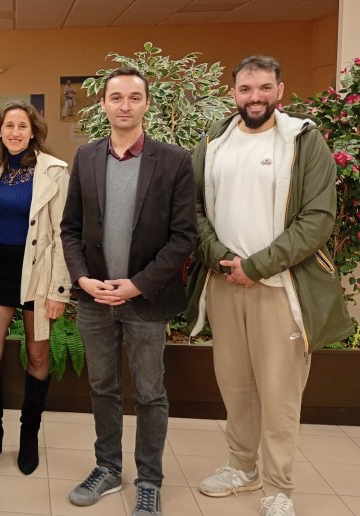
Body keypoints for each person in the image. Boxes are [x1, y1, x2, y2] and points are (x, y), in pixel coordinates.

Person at [186, 55, 353, 516]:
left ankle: (279, 487)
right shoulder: (215, 141)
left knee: (279, 393)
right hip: (225, 282)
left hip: (280, 287)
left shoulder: (303, 140)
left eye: (264, 88)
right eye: (245, 89)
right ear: (233, 93)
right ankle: (242, 467)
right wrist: (219, 257)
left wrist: (257, 266)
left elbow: (317, 219)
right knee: (235, 385)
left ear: (280, 90)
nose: (254, 97)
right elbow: (193, 206)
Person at [61, 68, 197, 516]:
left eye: (134, 97)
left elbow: (184, 236)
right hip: (95, 298)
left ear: (146, 104)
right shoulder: (86, 157)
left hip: (146, 300)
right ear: (103, 104)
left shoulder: (174, 160)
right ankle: (107, 468)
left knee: (150, 392)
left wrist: (138, 284)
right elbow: (70, 229)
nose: (124, 105)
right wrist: (82, 279)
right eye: (116, 97)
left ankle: (149, 480)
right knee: (102, 387)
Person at [0, 100, 71, 475]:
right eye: (9, 126)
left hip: (39, 275)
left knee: (38, 356)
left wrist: (59, 290)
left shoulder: (54, 171)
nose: (15, 132)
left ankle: (28, 438)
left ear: (33, 132)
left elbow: (63, 234)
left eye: (22, 126)